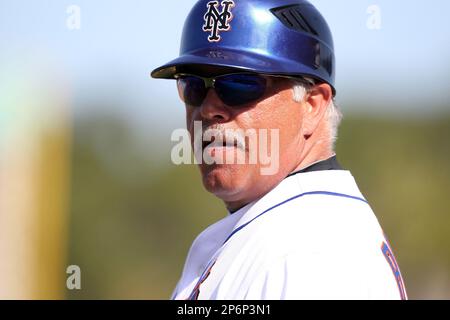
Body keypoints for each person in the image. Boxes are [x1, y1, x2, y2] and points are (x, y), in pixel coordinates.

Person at [151, 0, 407, 300]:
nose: (208, 109)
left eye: (240, 84)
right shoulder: (279, 230)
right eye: (193, 85)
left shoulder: (311, 251)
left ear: (312, 106)